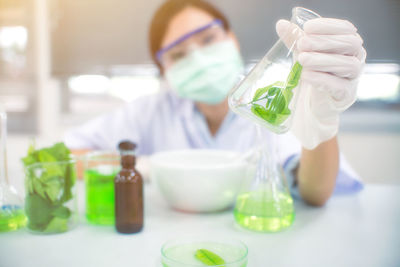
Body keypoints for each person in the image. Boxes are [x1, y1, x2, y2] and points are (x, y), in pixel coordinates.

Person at [65, 0, 366, 206]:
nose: (197, 58)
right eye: (179, 54)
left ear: (232, 38)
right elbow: (69, 156)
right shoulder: (150, 111)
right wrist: (139, 166)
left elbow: (316, 192)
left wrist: (322, 123)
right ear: (164, 71)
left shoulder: (270, 100)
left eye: (208, 40)